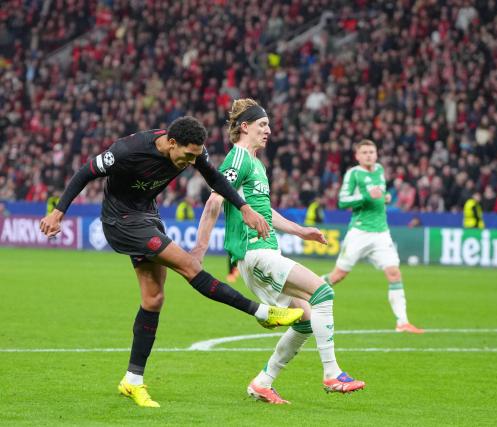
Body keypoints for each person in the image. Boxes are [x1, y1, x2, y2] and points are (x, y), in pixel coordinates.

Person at [39, 116, 304, 408]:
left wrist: (243, 208)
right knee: (190, 266)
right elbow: (85, 172)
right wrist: (58, 212)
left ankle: (132, 381)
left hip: (147, 216)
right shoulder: (128, 150)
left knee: (153, 299)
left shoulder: (194, 151)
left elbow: (214, 178)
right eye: (188, 155)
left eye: (196, 155)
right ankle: (263, 313)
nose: (191, 161)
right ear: (171, 143)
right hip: (120, 221)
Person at [193, 99, 365, 404]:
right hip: (255, 253)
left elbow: (265, 211)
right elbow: (213, 203)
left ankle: (263, 381)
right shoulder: (238, 159)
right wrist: (198, 253)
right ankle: (332, 373)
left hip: (264, 251)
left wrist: (301, 231)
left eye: (268, 125)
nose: (268, 130)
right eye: (262, 125)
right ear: (244, 127)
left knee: (305, 318)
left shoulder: (256, 164)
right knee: (323, 293)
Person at [321, 139, 424, 334]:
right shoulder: (353, 174)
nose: (369, 155)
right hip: (359, 231)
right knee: (338, 276)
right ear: (357, 156)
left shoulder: (379, 170)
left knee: (394, 273)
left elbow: (378, 195)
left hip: (381, 233)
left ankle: (402, 322)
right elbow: (343, 201)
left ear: (376, 154)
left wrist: (385, 198)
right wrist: (368, 197)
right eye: (365, 152)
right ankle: (305, 291)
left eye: (372, 152)